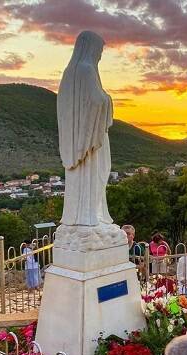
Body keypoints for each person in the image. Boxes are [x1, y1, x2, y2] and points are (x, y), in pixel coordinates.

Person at [57, 31, 114, 227]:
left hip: (81, 136)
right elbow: (97, 100)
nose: (100, 55)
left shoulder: (70, 72)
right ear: (91, 47)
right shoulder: (86, 69)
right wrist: (108, 99)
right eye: (99, 49)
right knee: (98, 172)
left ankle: (85, 216)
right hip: (91, 138)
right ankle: (90, 217)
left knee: (92, 175)